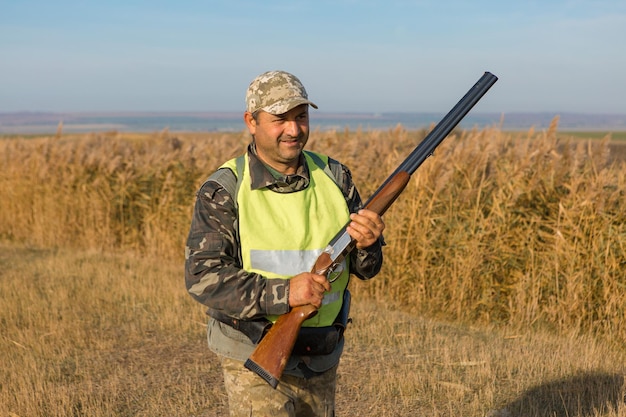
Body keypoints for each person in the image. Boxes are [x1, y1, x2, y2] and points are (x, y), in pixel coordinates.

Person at [185, 70, 385, 417]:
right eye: (279, 119)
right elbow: (203, 277)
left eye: (301, 117)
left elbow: (367, 269)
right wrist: (285, 294)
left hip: (321, 353)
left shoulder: (335, 176)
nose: (293, 130)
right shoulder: (226, 189)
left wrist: (369, 244)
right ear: (251, 121)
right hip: (252, 350)